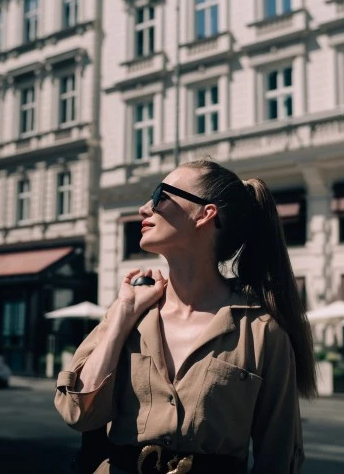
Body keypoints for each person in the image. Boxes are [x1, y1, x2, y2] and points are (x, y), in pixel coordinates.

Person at [55, 159, 317, 473]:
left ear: (205, 214)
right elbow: (78, 413)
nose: (144, 208)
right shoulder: (129, 311)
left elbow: (278, 457)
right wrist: (123, 316)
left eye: (160, 195)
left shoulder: (262, 332)